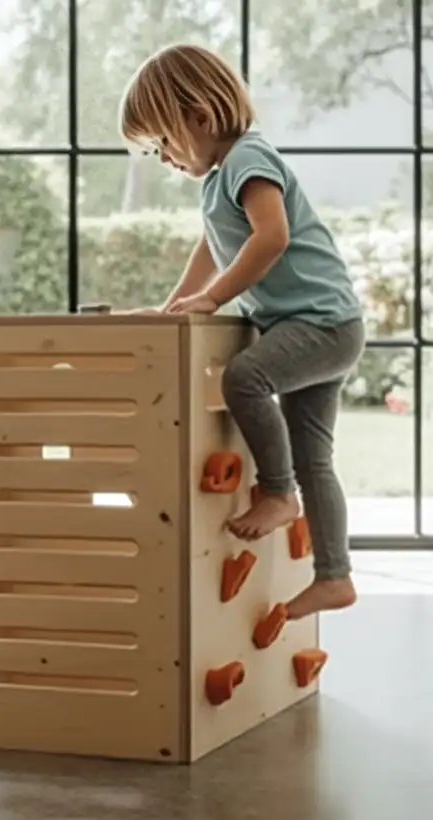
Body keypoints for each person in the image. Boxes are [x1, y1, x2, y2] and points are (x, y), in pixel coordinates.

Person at [119, 44, 365, 621]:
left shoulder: (249, 159)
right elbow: (212, 246)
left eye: (164, 142)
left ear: (200, 118)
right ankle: (335, 576)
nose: (164, 158)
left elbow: (271, 237)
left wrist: (214, 298)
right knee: (315, 458)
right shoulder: (217, 182)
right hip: (323, 325)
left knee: (245, 378)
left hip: (319, 324)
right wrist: (177, 305)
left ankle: (277, 492)